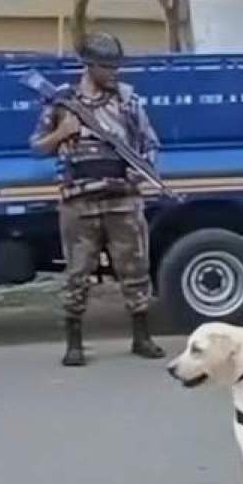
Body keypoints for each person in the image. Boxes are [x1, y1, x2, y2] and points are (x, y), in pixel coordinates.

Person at [29, 32, 165, 366]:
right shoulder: (62, 102)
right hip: (79, 201)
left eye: (116, 66)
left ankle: (141, 336)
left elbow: (150, 144)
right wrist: (62, 133)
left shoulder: (128, 100)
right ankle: (74, 343)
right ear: (88, 66)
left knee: (134, 270)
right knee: (77, 274)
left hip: (122, 198)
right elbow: (36, 147)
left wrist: (139, 171)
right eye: (107, 66)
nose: (114, 72)